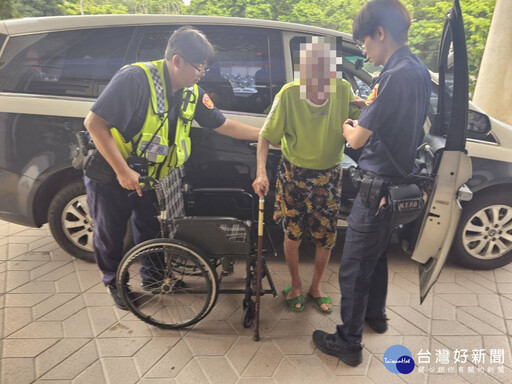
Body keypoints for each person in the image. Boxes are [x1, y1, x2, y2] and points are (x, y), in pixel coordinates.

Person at [83, 26, 260, 310]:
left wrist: (264, 135)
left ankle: (153, 278)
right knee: (110, 232)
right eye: (198, 66)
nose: (202, 73)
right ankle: (115, 283)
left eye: (204, 67)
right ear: (177, 60)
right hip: (113, 170)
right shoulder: (135, 78)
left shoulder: (192, 92)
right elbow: (94, 123)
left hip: (152, 176)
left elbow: (222, 124)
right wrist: (122, 172)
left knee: (152, 228)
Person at [312, 0, 431, 366]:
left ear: (380, 33)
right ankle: (375, 316)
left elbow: (357, 140)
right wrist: (367, 110)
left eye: (364, 42)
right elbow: (402, 117)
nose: (363, 50)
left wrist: (348, 126)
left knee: (354, 267)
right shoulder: (418, 70)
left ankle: (348, 342)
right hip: (396, 188)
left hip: (376, 189)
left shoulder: (392, 75)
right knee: (378, 257)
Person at [252, 37, 360, 314]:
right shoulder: (289, 94)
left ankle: (316, 287)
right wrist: (261, 174)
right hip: (294, 175)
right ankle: (296, 285)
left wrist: (364, 106)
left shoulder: (342, 89)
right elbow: (265, 138)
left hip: (330, 176)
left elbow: (354, 116)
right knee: (293, 236)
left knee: (326, 237)